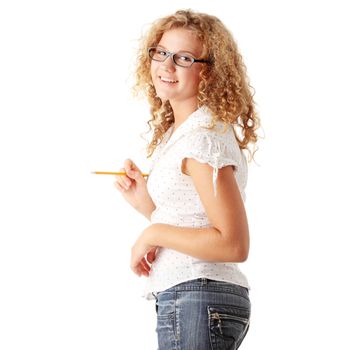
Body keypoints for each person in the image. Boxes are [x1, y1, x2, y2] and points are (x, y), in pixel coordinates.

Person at [114, 9, 261, 350]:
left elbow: (233, 244)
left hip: (197, 296)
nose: (166, 66)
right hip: (194, 297)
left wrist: (153, 233)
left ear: (207, 73)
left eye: (183, 58)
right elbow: (197, 223)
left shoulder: (202, 139)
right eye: (161, 52)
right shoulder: (185, 133)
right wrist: (148, 206)